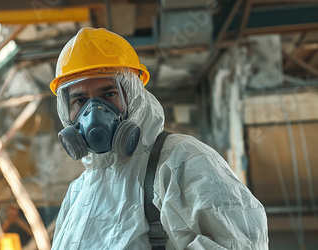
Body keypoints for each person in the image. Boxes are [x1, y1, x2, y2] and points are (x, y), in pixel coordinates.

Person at [50, 27, 268, 249]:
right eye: (79, 101)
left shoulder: (180, 161)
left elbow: (240, 242)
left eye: (108, 94)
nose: (94, 112)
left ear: (134, 96)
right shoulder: (78, 192)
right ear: (66, 110)